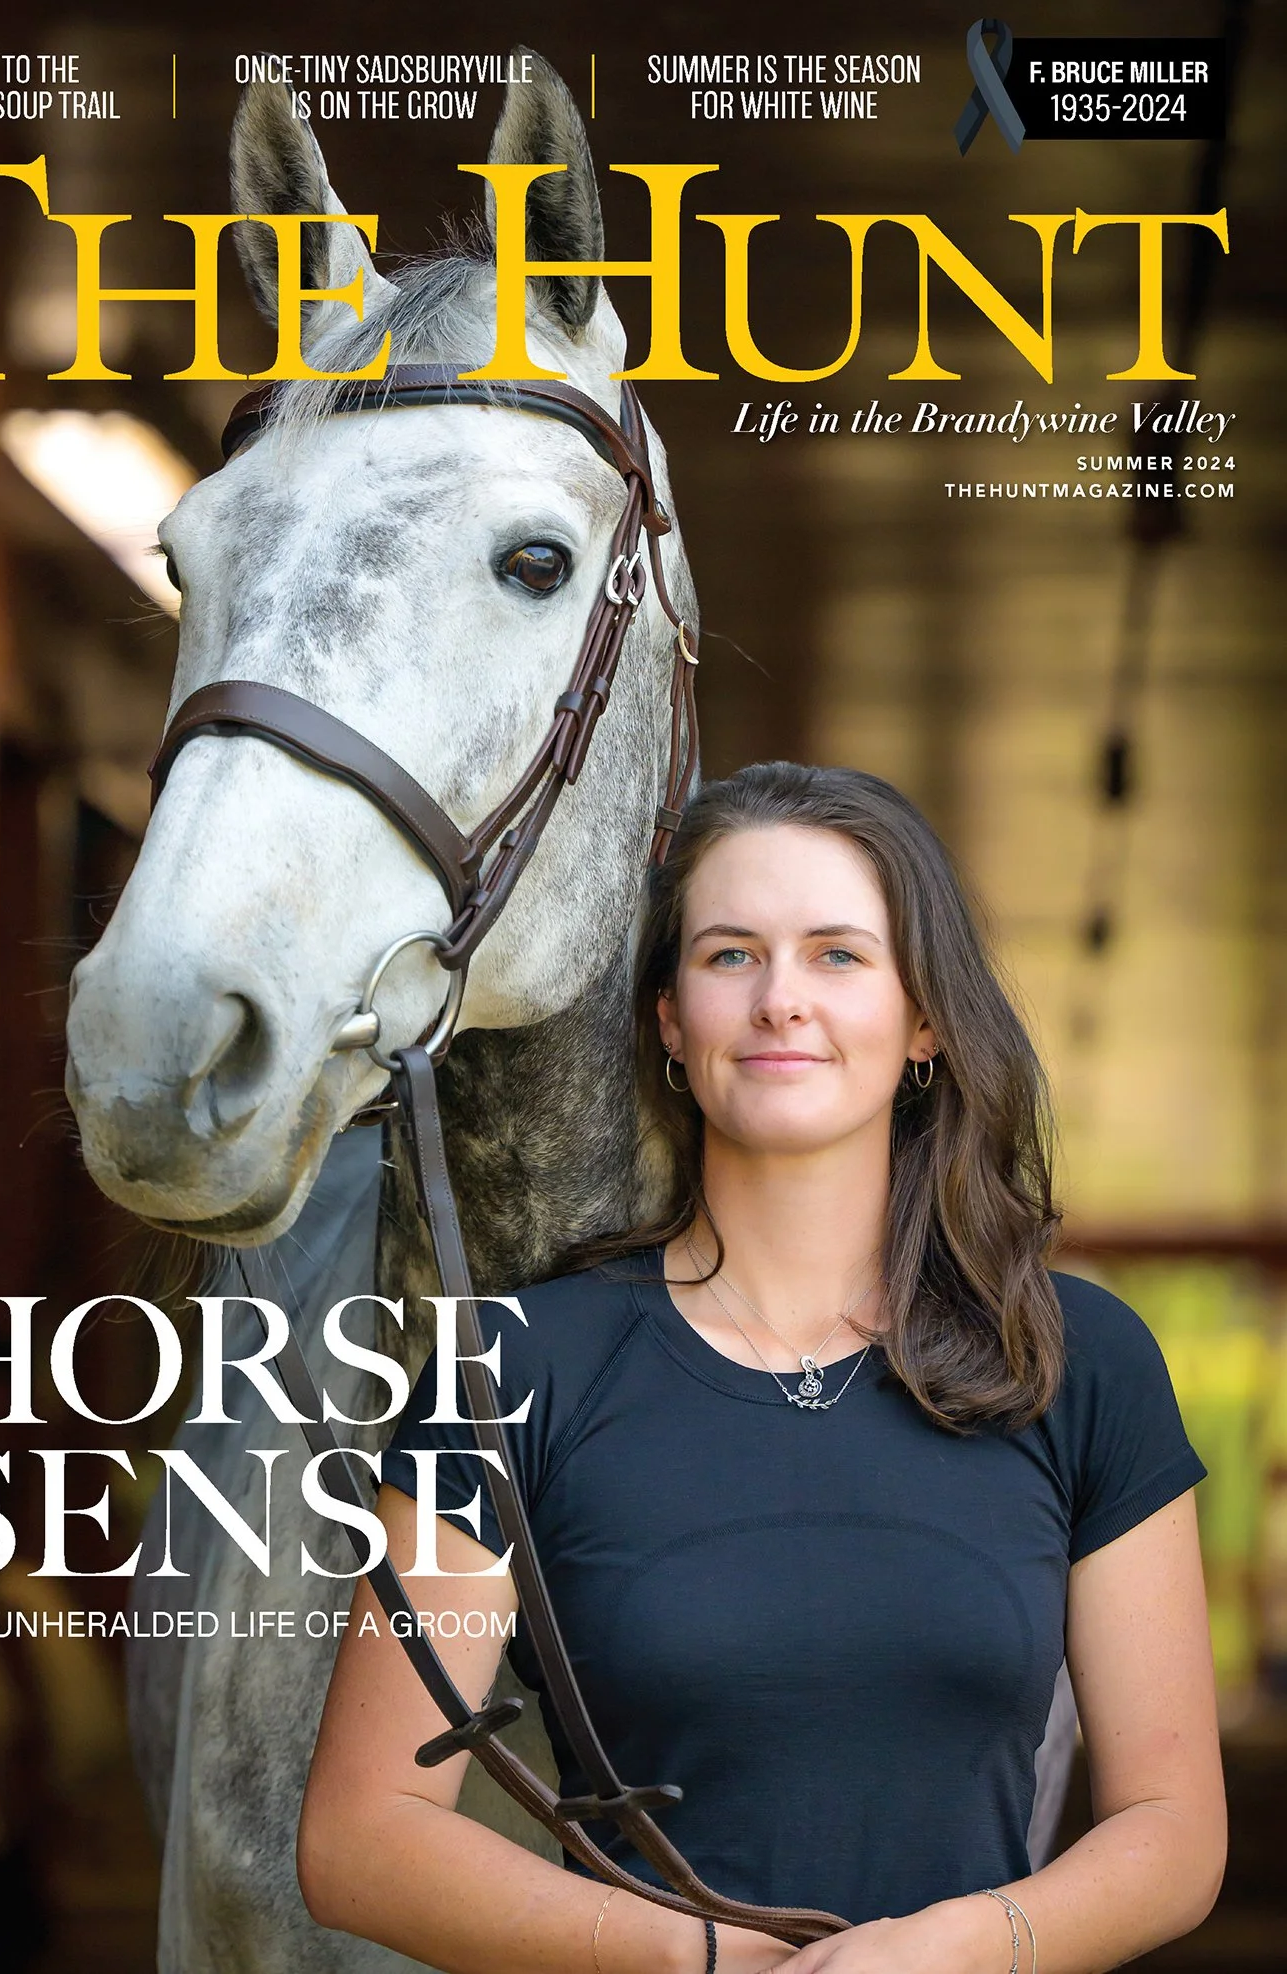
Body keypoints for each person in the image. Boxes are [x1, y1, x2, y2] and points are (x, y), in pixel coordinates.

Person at [296, 762, 1226, 1973]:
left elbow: (1173, 1829)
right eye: (731, 955)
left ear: (926, 1018)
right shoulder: (511, 1366)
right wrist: (704, 1958)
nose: (782, 998)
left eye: (839, 955)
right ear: (672, 1021)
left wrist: (960, 1950)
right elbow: (362, 1835)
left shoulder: (1076, 1357)